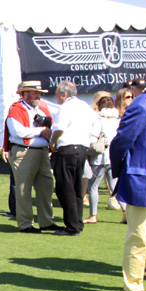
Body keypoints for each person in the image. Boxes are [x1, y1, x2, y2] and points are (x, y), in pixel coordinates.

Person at [110, 56, 146, 291]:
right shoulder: (142, 104)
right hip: (144, 179)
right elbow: (121, 142)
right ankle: (133, 287)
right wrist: (124, 174)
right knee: (138, 235)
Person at [5, 80, 56, 233]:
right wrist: (40, 131)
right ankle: (26, 223)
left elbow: (51, 126)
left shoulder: (42, 108)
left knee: (46, 187)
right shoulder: (16, 109)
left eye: (40, 93)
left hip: (42, 151)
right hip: (24, 151)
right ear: (25, 94)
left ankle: (46, 221)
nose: (38, 96)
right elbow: (17, 131)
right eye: (35, 93)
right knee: (23, 189)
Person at [48, 81, 98, 236]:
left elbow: (59, 128)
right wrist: (89, 139)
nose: (56, 98)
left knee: (65, 188)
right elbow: (97, 124)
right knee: (76, 188)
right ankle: (77, 222)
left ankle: (72, 226)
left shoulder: (65, 107)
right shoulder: (85, 106)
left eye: (57, 94)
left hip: (67, 149)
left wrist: (52, 141)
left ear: (64, 94)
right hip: (81, 149)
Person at [86, 95, 121, 223]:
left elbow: (94, 137)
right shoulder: (118, 120)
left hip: (100, 157)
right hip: (114, 157)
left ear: (99, 106)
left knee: (93, 187)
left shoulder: (98, 119)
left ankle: (93, 215)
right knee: (115, 187)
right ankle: (125, 213)